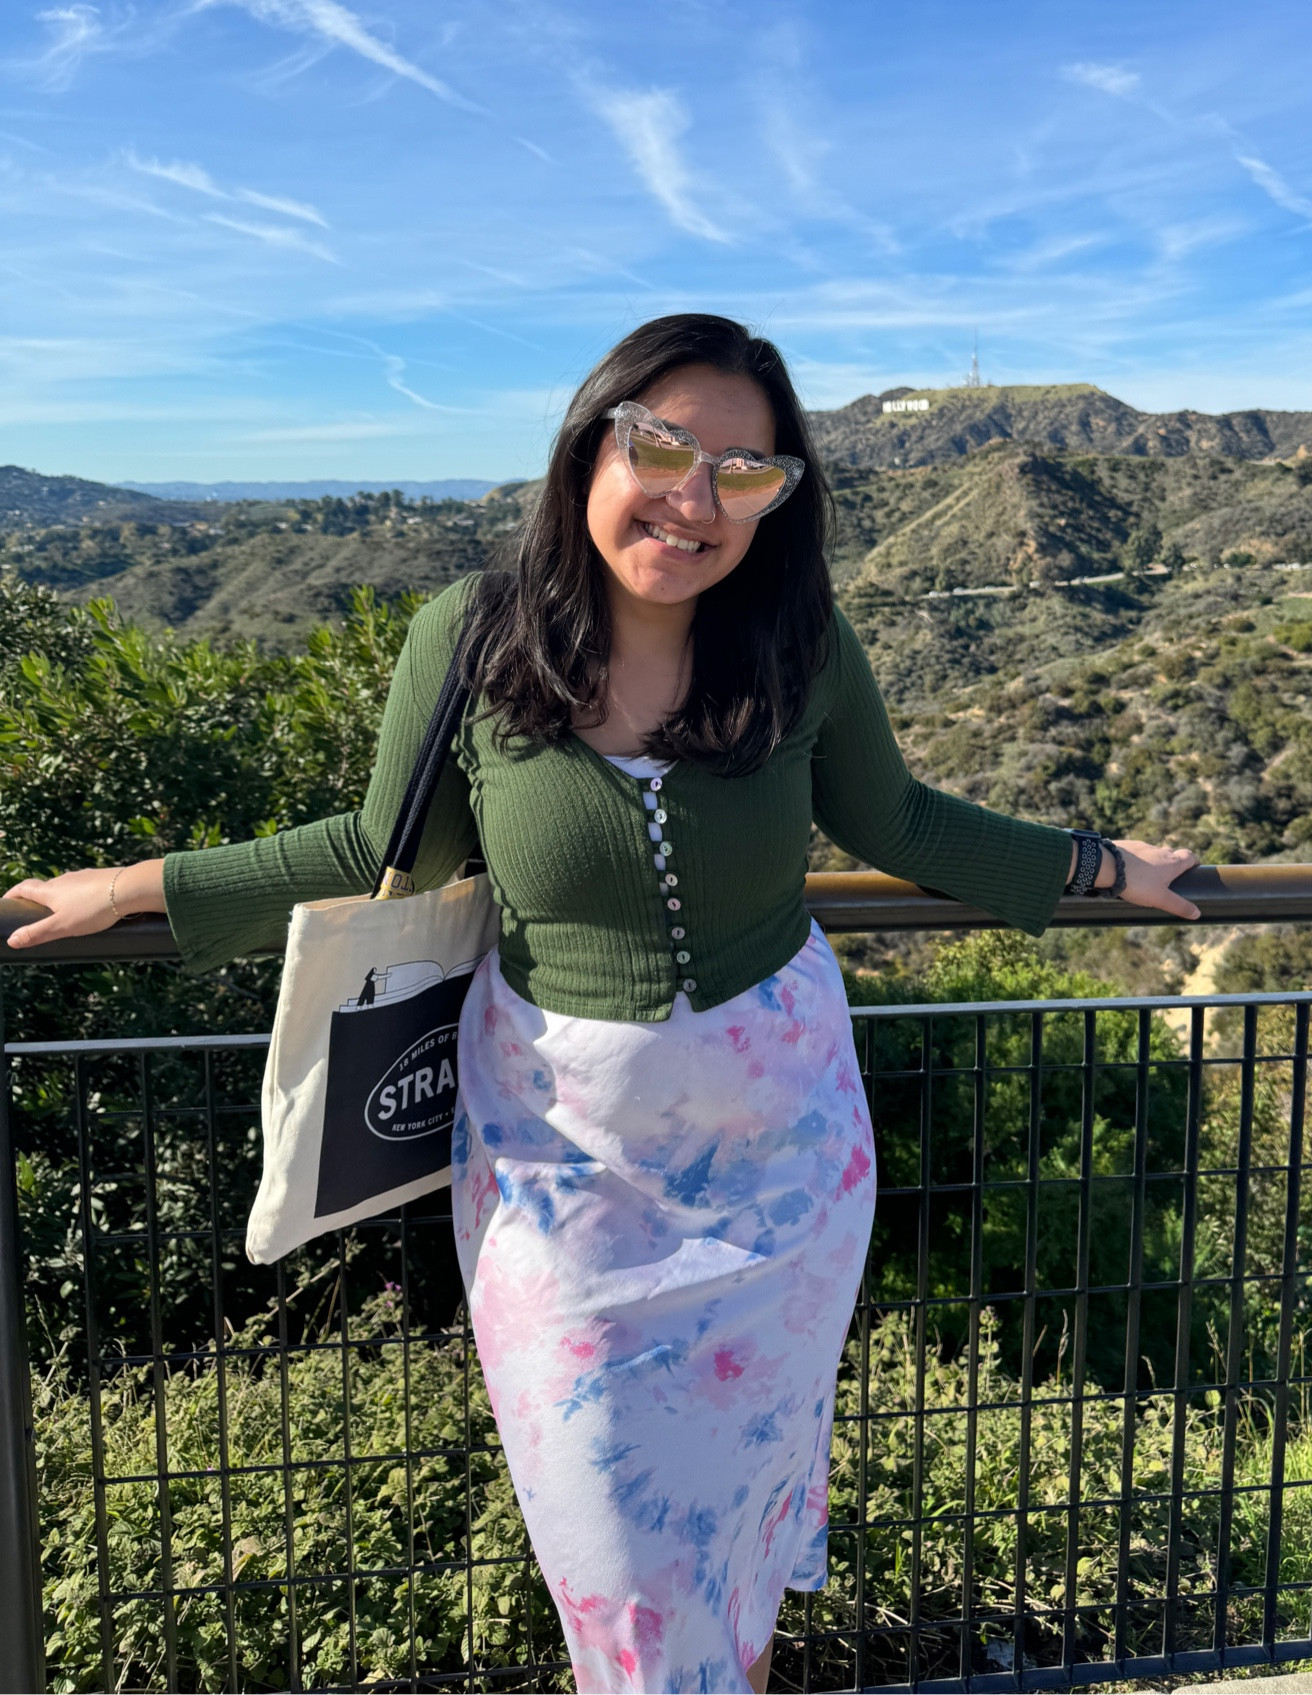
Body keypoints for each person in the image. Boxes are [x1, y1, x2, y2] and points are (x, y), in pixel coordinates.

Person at [5, 314, 1199, 1693]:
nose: (696, 499)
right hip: (559, 1190)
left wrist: (1102, 864)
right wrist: (135, 884)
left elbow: (901, 819)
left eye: (746, 474)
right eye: (665, 445)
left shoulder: (798, 644)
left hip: (787, 1175)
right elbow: (382, 850)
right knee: (616, 1563)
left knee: (735, 1548)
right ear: (594, 441)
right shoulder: (473, 638)